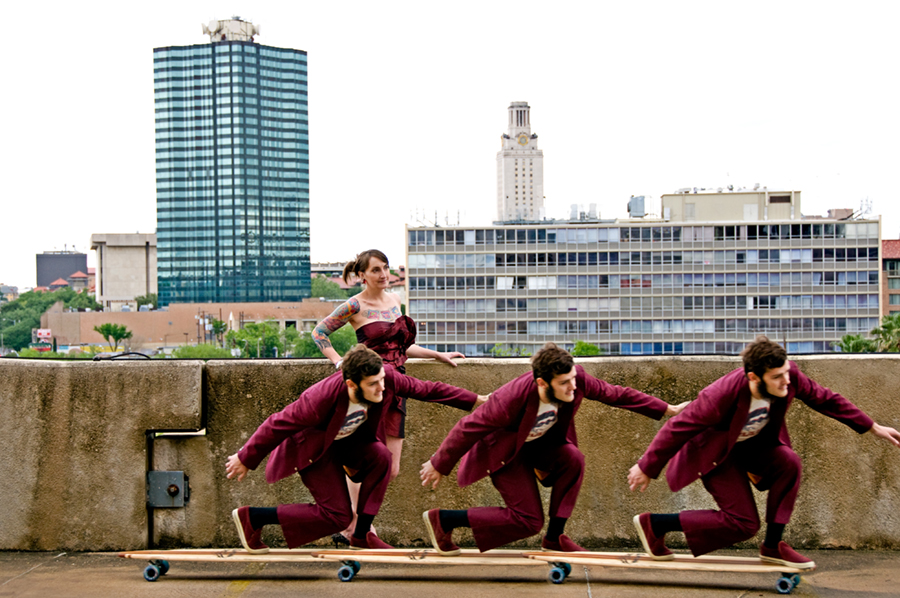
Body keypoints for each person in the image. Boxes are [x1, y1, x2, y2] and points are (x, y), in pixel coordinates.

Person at [627, 335, 900, 568]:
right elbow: (678, 428)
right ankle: (657, 524)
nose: (786, 381)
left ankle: (772, 546)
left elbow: (825, 398)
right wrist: (646, 467)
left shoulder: (789, 377)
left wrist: (872, 426)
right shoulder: (720, 394)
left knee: (789, 462)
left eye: (787, 373)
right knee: (744, 524)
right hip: (717, 454)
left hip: (754, 447)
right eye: (777, 377)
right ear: (753, 377)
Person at [419, 342, 687, 554]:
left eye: (573, 378)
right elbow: (468, 426)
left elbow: (615, 393)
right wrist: (439, 464)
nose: (573, 386)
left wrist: (667, 409)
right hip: (506, 453)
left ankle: (555, 537)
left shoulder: (575, 378)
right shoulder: (511, 398)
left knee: (573, 458)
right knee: (528, 521)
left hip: (541, 446)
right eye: (564, 383)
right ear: (542, 383)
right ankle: (445, 520)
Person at [225, 345, 486, 552]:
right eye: (373, 384)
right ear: (351, 384)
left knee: (382, 456)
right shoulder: (320, 398)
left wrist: (475, 400)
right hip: (316, 450)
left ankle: (361, 534)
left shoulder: (385, 379)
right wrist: (245, 458)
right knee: (337, 517)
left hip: (349, 443)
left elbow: (427, 389)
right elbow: (277, 424)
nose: (381, 388)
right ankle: (255, 518)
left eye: (382, 380)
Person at [312, 249, 464, 541]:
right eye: (376, 270)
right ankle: (355, 524)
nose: (383, 275)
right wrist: (338, 361)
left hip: (396, 388)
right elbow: (319, 333)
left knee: (390, 469)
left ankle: (353, 522)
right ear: (362, 276)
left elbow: (402, 348)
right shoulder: (354, 305)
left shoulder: (395, 301)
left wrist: (437, 354)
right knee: (363, 462)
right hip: (368, 391)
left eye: (386, 268)